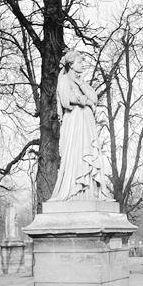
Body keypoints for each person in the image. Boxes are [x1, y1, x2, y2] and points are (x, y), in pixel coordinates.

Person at [49, 50, 106, 201]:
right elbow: (66, 100)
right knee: (76, 152)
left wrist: (82, 88)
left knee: (87, 152)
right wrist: (84, 100)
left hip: (86, 122)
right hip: (74, 121)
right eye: (80, 62)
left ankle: (89, 190)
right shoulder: (64, 80)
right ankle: (75, 189)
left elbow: (94, 98)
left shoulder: (81, 82)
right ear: (71, 64)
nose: (82, 65)